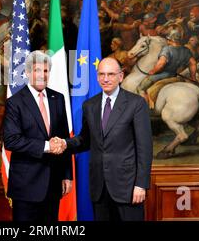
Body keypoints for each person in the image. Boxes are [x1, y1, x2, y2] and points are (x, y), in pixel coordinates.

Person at [52, 57, 153, 221]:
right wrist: (64, 143)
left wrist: (141, 184)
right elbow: (85, 140)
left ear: (121, 76)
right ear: (97, 77)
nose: (106, 79)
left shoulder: (136, 104)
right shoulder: (89, 105)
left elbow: (145, 148)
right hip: (99, 188)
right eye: (102, 74)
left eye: (111, 74)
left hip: (128, 188)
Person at [3, 50, 72, 221]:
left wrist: (66, 175)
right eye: (37, 70)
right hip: (26, 186)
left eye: (46, 71)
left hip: (53, 184)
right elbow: (12, 140)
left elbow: (65, 140)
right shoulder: (15, 102)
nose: (42, 75)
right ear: (27, 73)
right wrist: (47, 146)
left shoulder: (58, 99)